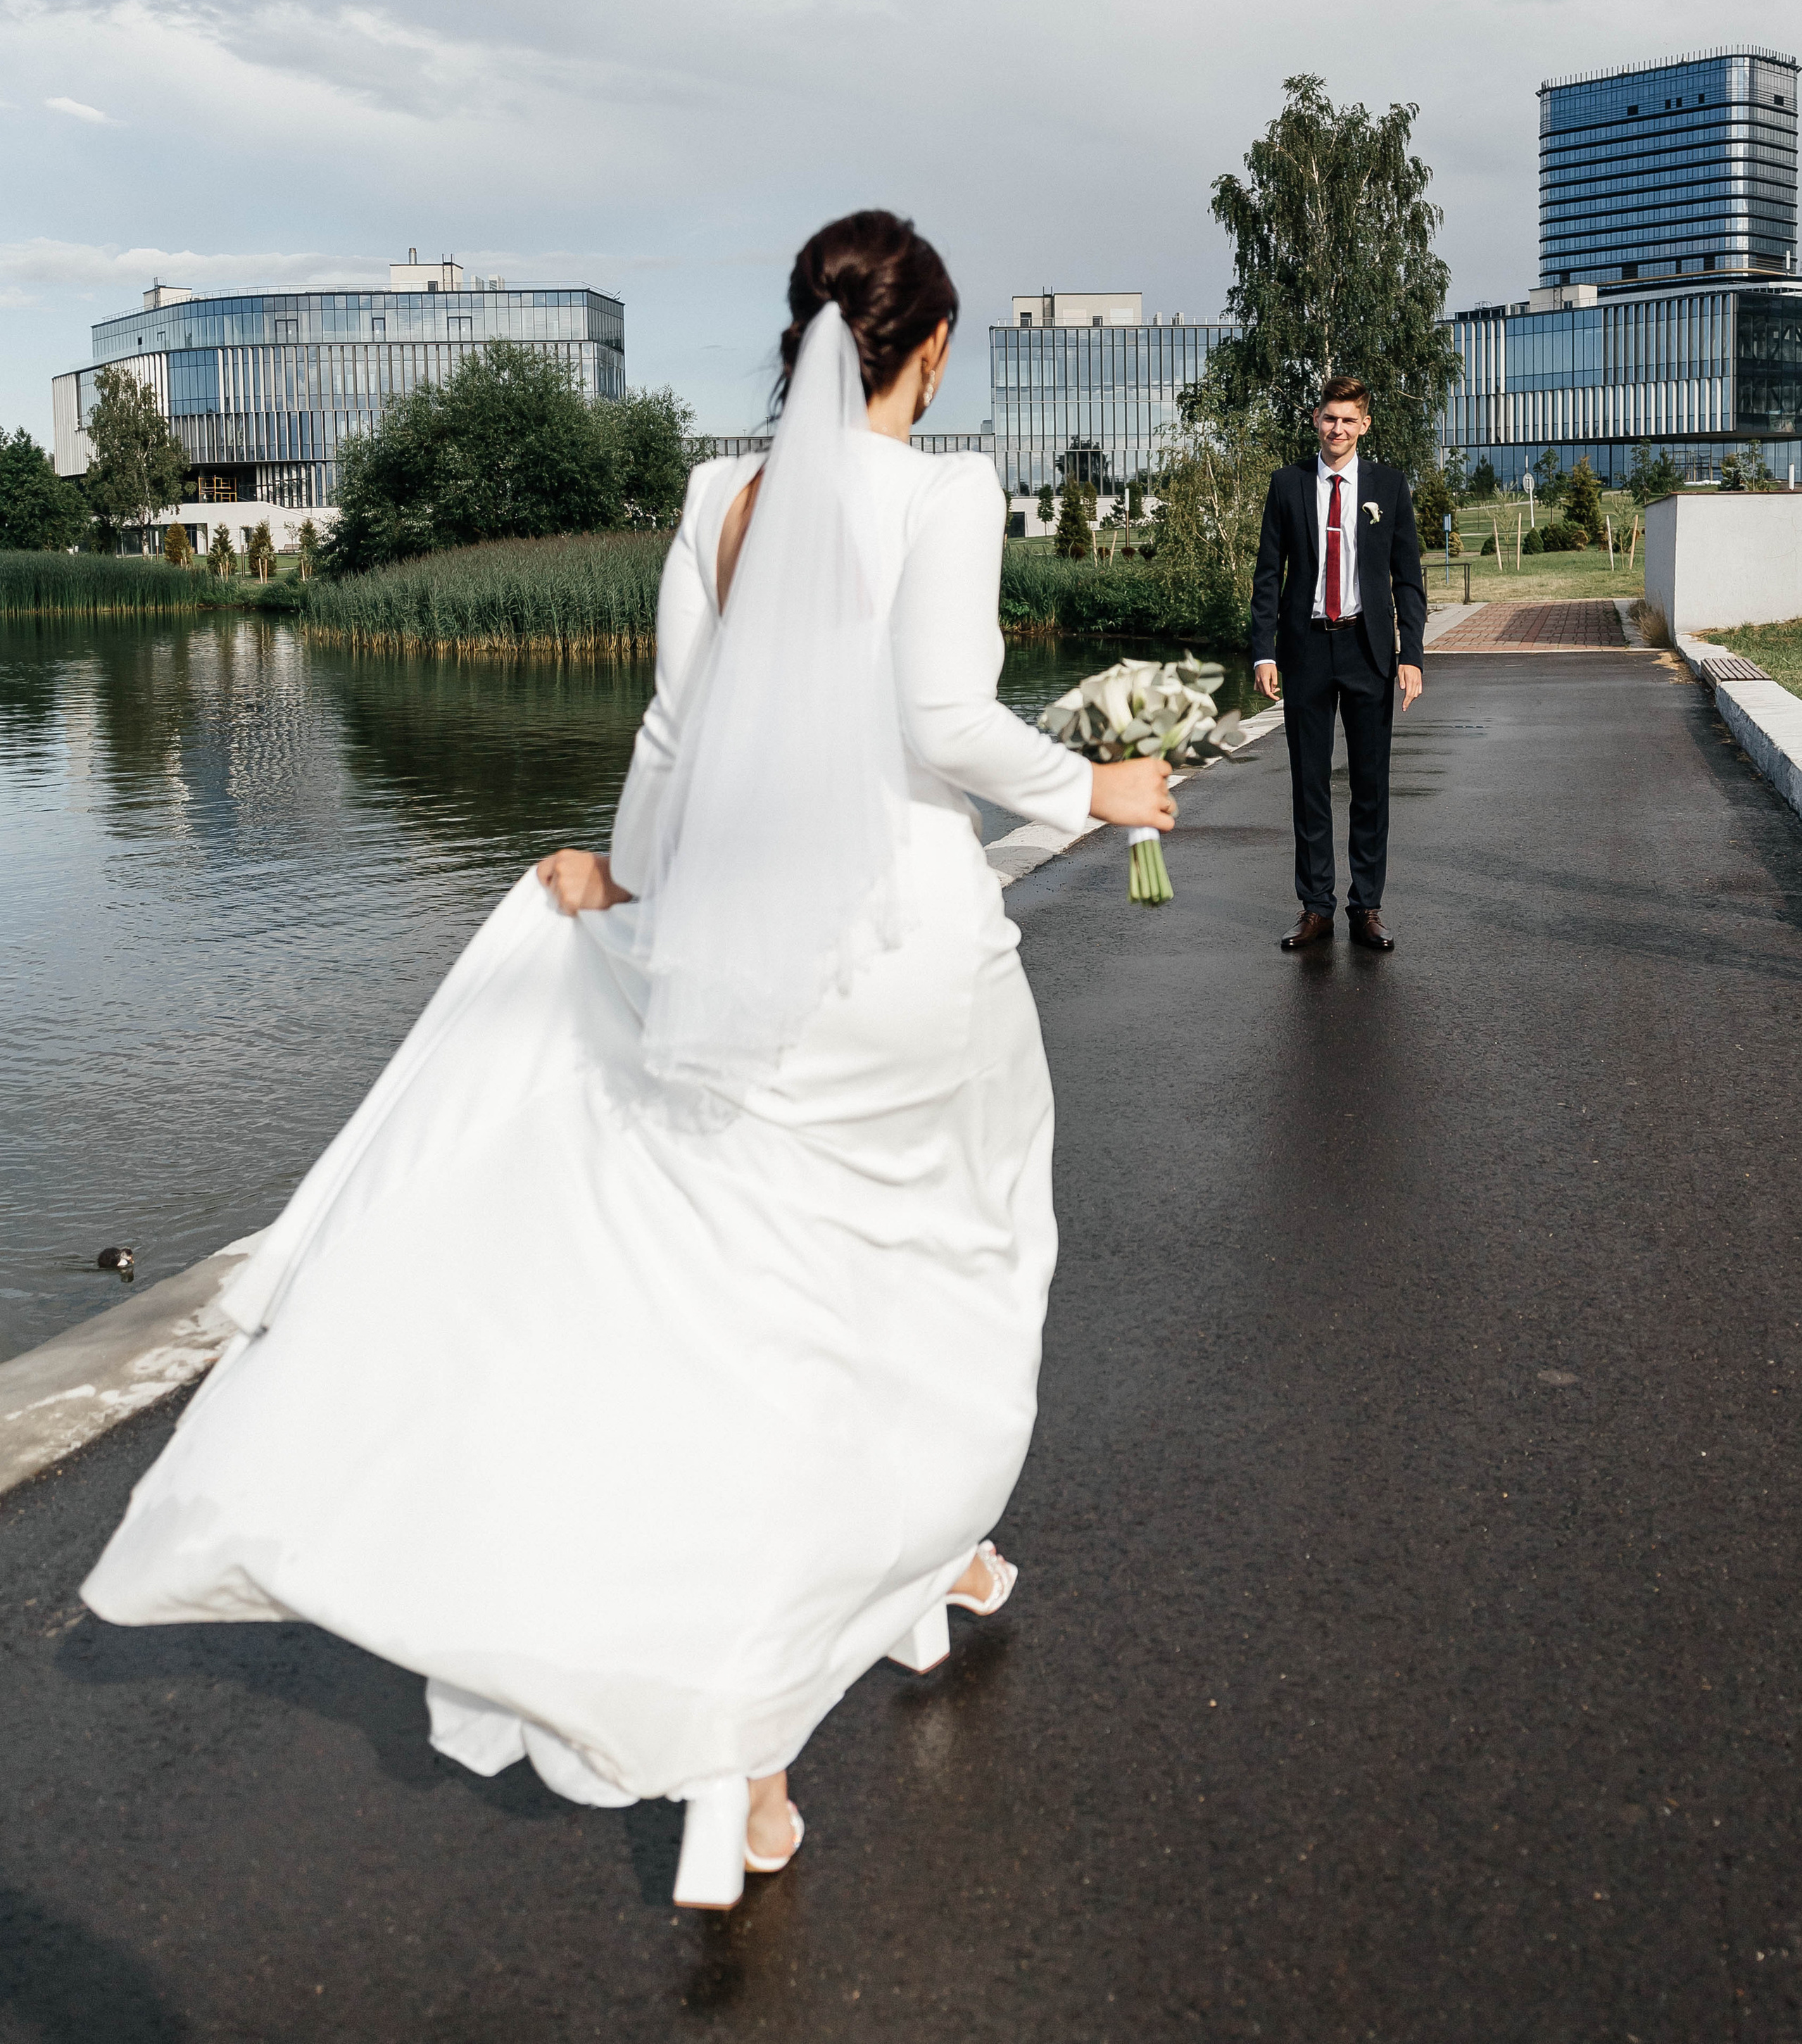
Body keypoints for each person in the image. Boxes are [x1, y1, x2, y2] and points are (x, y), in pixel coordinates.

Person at [82, 210, 1173, 1910]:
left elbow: (673, 728)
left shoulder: (713, 501)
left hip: (730, 942)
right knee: (957, 1250)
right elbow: (943, 720)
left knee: (751, 1304)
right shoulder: (946, 495)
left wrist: (626, 875)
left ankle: (777, 1741)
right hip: (894, 948)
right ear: (933, 347)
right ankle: (893, 1560)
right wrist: (1094, 790)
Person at [1249, 374, 1426, 952]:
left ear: (1365, 425)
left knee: (1371, 784)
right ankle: (1316, 907)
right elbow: (1269, 576)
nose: (1338, 429)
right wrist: (1264, 650)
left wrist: (1412, 656)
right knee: (1310, 783)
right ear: (1316, 420)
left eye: (1349, 420)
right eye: (1330, 418)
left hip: (1368, 649)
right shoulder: (1288, 485)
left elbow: (1409, 580)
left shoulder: (1389, 487)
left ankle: (1366, 908)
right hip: (1305, 649)